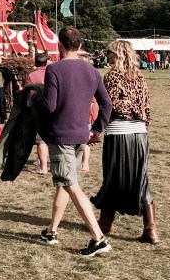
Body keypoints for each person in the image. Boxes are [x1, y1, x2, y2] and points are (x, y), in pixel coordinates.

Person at [35, 25, 113, 257]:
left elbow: (49, 105)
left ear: (59, 45)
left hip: (61, 136)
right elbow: (106, 104)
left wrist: (34, 99)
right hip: (82, 135)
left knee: (70, 184)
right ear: (79, 46)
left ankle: (98, 238)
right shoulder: (92, 71)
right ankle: (51, 231)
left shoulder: (54, 69)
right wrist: (97, 129)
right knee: (65, 181)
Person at [91, 39, 159, 244]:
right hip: (139, 134)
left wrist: (96, 130)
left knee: (113, 177)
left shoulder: (111, 77)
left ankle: (105, 222)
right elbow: (146, 107)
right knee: (141, 179)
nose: (107, 55)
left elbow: (108, 107)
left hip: (119, 134)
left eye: (109, 52)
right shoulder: (140, 77)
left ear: (118, 54)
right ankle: (150, 229)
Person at [25, 52, 49, 174]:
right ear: (46, 61)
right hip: (53, 108)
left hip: (38, 109)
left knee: (41, 140)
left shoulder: (31, 75)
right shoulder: (52, 73)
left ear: (35, 62)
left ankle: (43, 167)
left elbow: (28, 93)